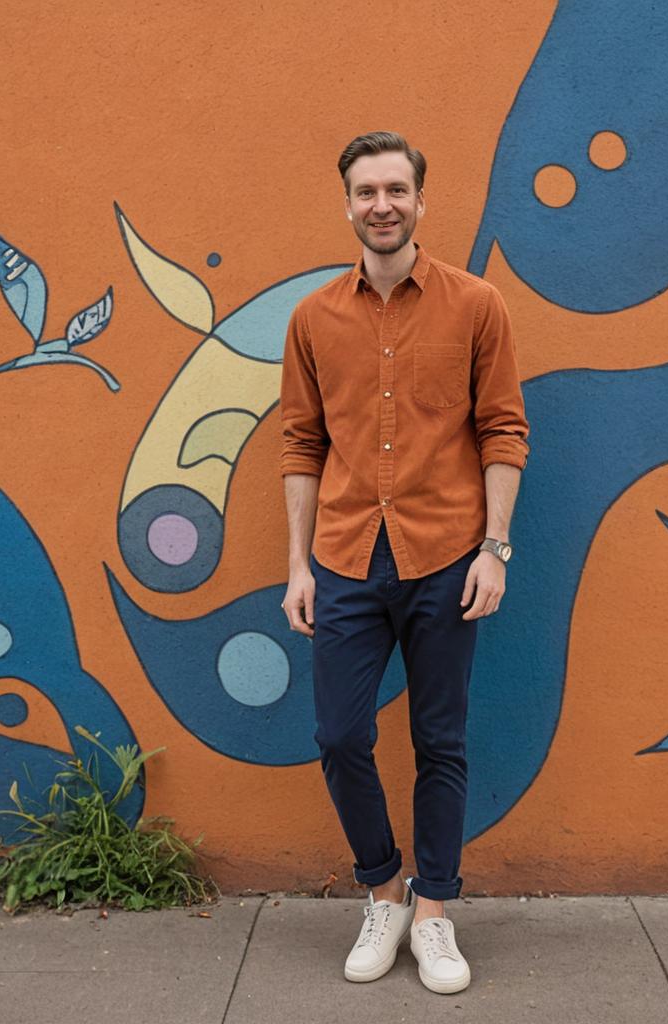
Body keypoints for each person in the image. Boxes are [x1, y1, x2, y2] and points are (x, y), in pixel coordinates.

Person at [278, 130, 529, 995]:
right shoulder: (313, 317)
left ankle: (435, 912)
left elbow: (503, 430)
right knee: (340, 735)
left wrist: (494, 548)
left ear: (422, 200)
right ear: (346, 203)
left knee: (439, 741)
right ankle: (384, 888)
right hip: (346, 557)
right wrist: (297, 567)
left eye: (395, 189)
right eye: (364, 191)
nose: (381, 204)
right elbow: (301, 443)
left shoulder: (477, 306)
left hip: (446, 557)